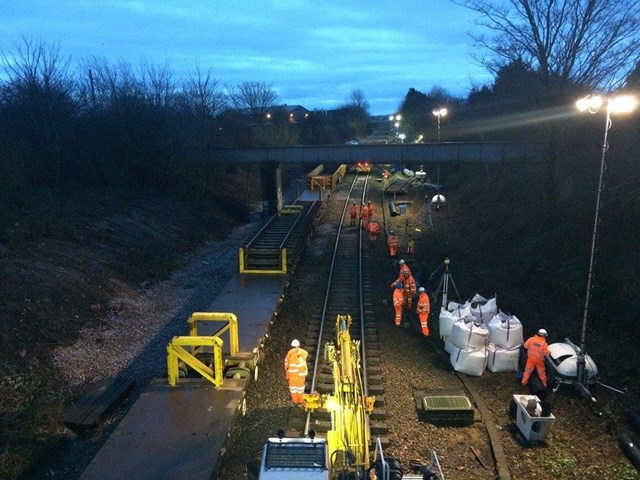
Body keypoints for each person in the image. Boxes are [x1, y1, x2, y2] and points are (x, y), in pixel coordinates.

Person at [285, 339, 308, 404]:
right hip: (299, 377)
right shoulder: (300, 357)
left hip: (292, 376)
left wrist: (287, 373)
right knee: (299, 390)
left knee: (293, 390)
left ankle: (295, 401)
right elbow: (303, 368)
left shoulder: (289, 354)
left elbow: (286, 364)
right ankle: (300, 401)